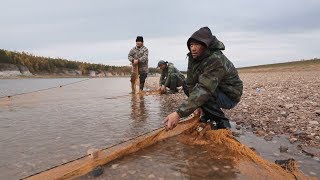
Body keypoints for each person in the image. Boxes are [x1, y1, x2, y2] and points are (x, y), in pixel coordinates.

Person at [163, 27, 243, 130]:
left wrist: (179, 113)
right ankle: (208, 114)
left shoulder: (216, 59)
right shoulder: (193, 58)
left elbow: (204, 89)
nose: (193, 48)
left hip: (229, 96)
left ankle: (222, 122)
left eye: (197, 44)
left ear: (206, 45)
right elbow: (190, 83)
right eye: (191, 45)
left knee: (204, 92)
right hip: (213, 89)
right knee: (186, 85)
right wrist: (198, 106)